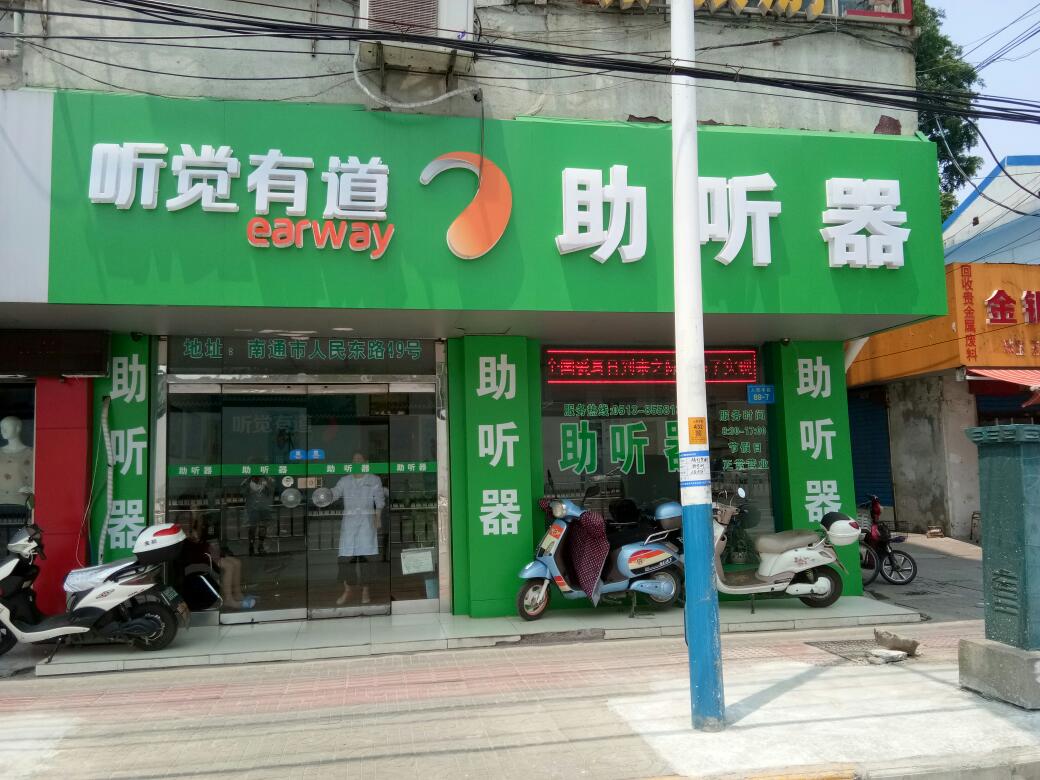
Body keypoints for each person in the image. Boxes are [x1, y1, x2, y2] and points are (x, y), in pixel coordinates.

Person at [331, 452, 385, 606]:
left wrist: (378, 518)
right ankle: (347, 589)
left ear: (366, 462)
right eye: (354, 459)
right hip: (349, 524)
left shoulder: (374, 479)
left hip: (366, 524)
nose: (356, 462)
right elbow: (336, 492)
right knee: (345, 559)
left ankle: (365, 590)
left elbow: (379, 500)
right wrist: (326, 495)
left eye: (359, 459)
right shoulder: (345, 480)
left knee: (366, 559)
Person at [184, 510, 254, 610]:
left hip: (207, 553)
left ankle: (237, 594)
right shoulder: (189, 530)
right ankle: (228, 599)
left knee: (237, 563)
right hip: (199, 557)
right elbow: (196, 542)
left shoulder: (197, 527)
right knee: (229, 566)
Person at [241, 473, 274, 556]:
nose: (257, 477)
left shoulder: (265, 482)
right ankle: (251, 546)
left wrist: (265, 477)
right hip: (252, 510)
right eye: (255, 475)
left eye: (258, 475)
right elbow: (242, 491)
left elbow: (271, 488)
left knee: (263, 528)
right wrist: (249, 478)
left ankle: (260, 546)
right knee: (252, 529)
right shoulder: (247, 482)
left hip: (264, 509)